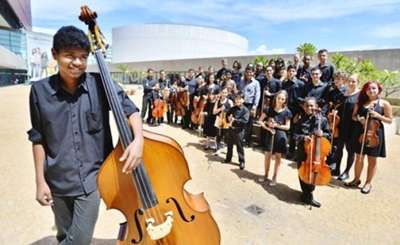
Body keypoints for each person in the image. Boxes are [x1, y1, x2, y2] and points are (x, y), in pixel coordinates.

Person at [27, 26, 144, 244]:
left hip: (93, 179)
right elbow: (38, 138)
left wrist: (138, 140)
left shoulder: (101, 84)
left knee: (79, 240)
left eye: (83, 57)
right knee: (65, 235)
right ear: (54, 55)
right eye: (70, 56)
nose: (78, 63)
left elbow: (131, 111)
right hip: (57, 180)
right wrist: (40, 181)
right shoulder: (39, 91)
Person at [345, 81, 393, 194]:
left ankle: (368, 183)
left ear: (378, 89)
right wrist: (359, 119)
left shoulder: (384, 104)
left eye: (373, 88)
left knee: (372, 159)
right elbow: (353, 116)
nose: (371, 91)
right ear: (365, 91)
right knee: (359, 157)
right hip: (360, 133)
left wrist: (378, 116)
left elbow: (390, 120)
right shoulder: (360, 102)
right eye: (368, 89)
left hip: (375, 134)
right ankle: (356, 180)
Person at [293, 97, 331, 208]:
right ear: (304, 107)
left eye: (311, 105)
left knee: (314, 171)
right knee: (302, 171)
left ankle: (309, 192)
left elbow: (329, 135)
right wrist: (304, 137)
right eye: (307, 106)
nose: (309, 108)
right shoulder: (300, 120)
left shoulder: (322, 120)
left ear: (316, 107)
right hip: (303, 151)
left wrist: (322, 134)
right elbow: (295, 135)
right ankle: (306, 194)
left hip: (317, 153)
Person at [258, 91, 292, 186]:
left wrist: (277, 125)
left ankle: (274, 177)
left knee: (278, 157)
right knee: (267, 155)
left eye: (282, 99)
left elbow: (288, 127)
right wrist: (268, 127)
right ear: (275, 98)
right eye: (278, 98)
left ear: (285, 100)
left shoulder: (287, 112)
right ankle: (265, 175)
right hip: (269, 133)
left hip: (280, 135)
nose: (280, 100)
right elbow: (260, 121)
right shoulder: (268, 109)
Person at [336, 74, 361, 181]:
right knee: (339, 149)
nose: (351, 83)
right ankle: (336, 169)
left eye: (354, 81)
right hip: (341, 125)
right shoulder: (343, 94)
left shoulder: (360, 95)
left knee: (350, 150)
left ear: (358, 82)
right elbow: (338, 107)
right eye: (350, 81)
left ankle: (346, 172)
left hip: (353, 127)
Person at [224, 93, 250, 170]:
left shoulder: (245, 110)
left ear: (243, 100)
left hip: (239, 130)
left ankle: (242, 161)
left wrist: (235, 120)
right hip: (231, 129)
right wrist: (228, 119)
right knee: (229, 144)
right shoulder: (233, 108)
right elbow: (227, 115)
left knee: (239, 146)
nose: (238, 100)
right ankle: (228, 158)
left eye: (240, 99)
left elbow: (245, 121)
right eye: (236, 99)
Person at [237, 65, 261, 146]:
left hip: (250, 105)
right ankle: (240, 139)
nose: (249, 74)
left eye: (251, 72)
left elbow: (257, 95)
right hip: (242, 104)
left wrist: (255, 106)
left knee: (249, 123)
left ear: (253, 73)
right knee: (241, 122)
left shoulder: (256, 83)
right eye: (247, 72)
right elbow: (239, 91)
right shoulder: (241, 81)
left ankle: (247, 141)